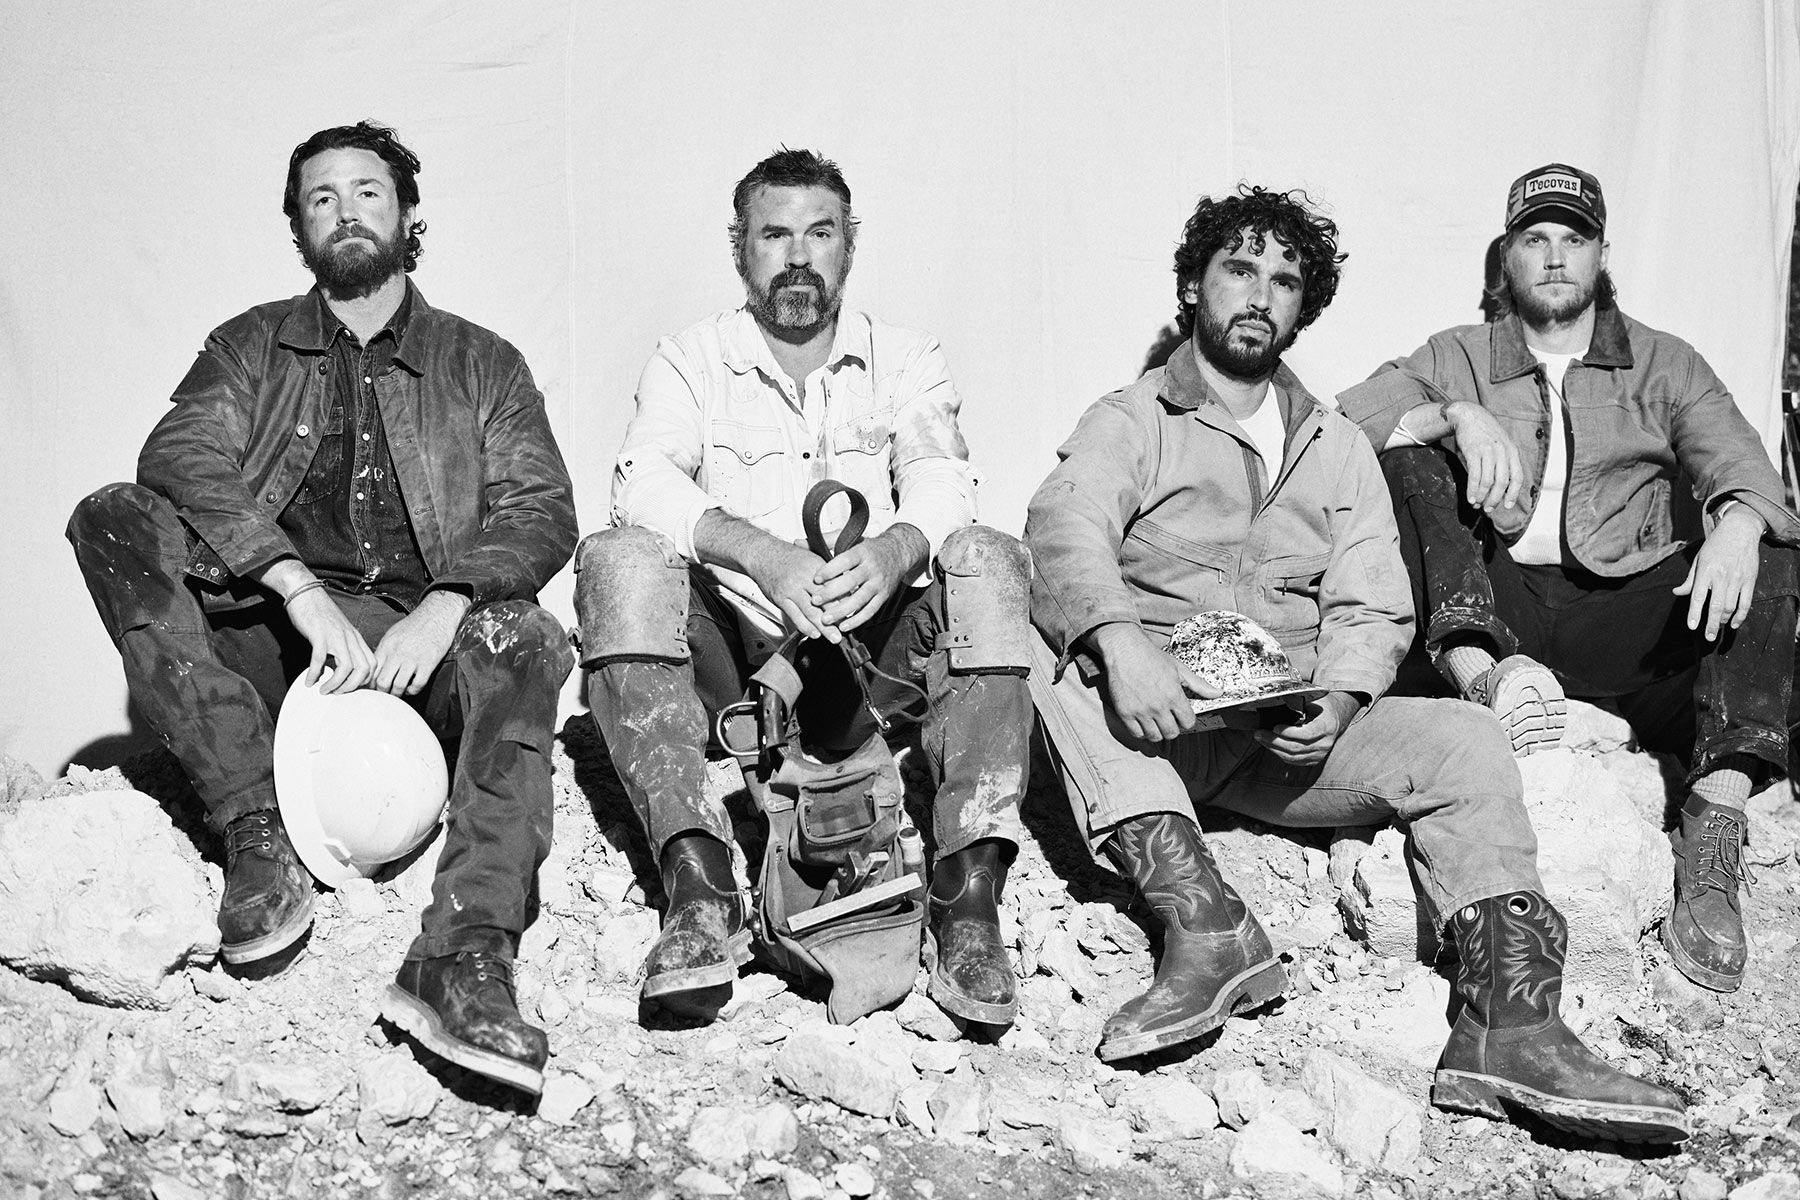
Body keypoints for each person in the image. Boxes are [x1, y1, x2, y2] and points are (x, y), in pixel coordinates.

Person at [1024, 184, 1688, 1142]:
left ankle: (1513, 1025)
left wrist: (1337, 697)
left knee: (1463, 741)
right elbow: (1064, 523)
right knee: (1056, 658)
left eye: (1284, 281)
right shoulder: (1135, 416)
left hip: (1287, 739)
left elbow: (1373, 597)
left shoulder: (1334, 444)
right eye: (1238, 271)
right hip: (1154, 732)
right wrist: (1121, 644)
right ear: (1194, 286)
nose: (1259, 295)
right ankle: (1209, 932)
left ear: (1305, 306)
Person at [66, 122, 577, 1096]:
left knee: (529, 637)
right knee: (113, 519)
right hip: (276, 633)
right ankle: (255, 830)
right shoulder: (250, 345)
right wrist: (294, 586)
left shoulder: (483, 365)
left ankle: (464, 954)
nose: (346, 211)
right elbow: (178, 455)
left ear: (410, 216)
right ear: (298, 225)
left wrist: (447, 603)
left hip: (423, 639)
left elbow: (541, 508)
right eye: (321, 197)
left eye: (368, 192)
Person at [574, 149, 1032, 1026]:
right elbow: (644, 480)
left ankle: (969, 901)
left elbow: (944, 477)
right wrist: (763, 558)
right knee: (620, 556)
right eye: (773, 234)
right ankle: (700, 887)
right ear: (740, 248)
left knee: (988, 555)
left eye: (818, 234)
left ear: (848, 246)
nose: (797, 256)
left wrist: (898, 549)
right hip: (735, 666)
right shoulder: (690, 359)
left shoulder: (906, 359)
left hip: (870, 667)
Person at [1338, 163, 1800, 995]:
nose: (1555, 257)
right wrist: (1454, 413)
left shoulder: (1665, 362)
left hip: (1623, 622)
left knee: (1770, 545)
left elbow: (1743, 465)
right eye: (1535, 238)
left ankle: (1715, 817)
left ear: (1601, 254)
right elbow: (1350, 418)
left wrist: (1737, 522)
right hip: (1499, 611)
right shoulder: (1458, 353)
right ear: (1507, 256)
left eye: (1573, 238)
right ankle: (1488, 685)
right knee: (1408, 455)